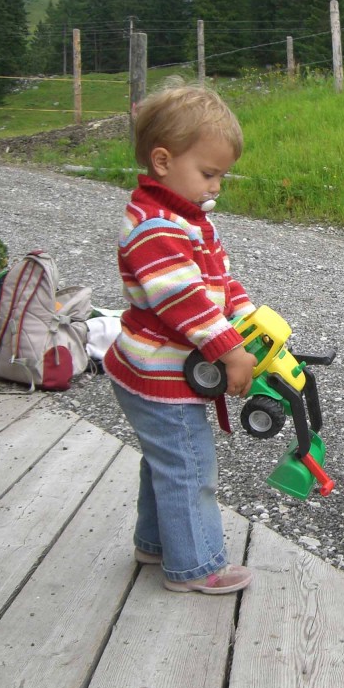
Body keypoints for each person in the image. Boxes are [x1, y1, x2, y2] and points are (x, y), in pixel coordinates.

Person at [104, 81, 257, 594]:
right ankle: (196, 565)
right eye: (209, 173)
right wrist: (229, 349)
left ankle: (154, 542)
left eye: (222, 175)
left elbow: (217, 282)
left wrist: (247, 318)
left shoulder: (189, 219)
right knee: (189, 466)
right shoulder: (155, 229)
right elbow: (183, 301)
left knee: (164, 461)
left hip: (156, 374)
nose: (216, 186)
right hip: (159, 377)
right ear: (163, 161)